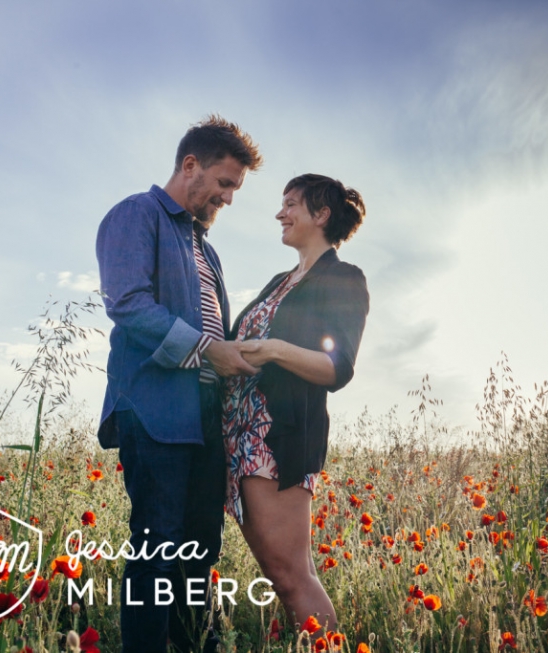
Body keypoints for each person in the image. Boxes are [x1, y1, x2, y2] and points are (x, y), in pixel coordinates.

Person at [95, 115, 262, 653]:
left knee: (200, 552)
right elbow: (128, 303)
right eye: (226, 183)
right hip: (155, 411)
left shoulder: (205, 248)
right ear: (191, 165)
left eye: (234, 187)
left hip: (204, 415)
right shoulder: (136, 214)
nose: (229, 198)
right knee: (157, 551)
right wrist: (211, 349)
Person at [223, 173, 369, 635]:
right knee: (279, 573)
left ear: (321, 214)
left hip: (275, 441)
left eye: (290, 204)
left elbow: (338, 366)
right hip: (238, 436)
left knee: (290, 576)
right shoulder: (279, 281)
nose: (280, 213)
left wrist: (273, 349)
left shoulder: (344, 278)